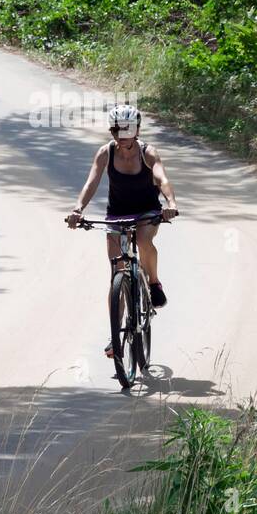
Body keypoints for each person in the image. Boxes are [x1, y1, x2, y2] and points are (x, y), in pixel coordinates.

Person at [66, 104, 179, 355]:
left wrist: (170, 203)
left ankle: (154, 282)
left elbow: (162, 178)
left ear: (137, 131)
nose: (124, 136)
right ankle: (115, 335)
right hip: (116, 214)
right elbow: (91, 181)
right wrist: (78, 209)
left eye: (128, 130)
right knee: (116, 271)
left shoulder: (148, 152)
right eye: (119, 131)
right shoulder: (105, 153)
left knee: (142, 239)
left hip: (147, 211)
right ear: (113, 131)